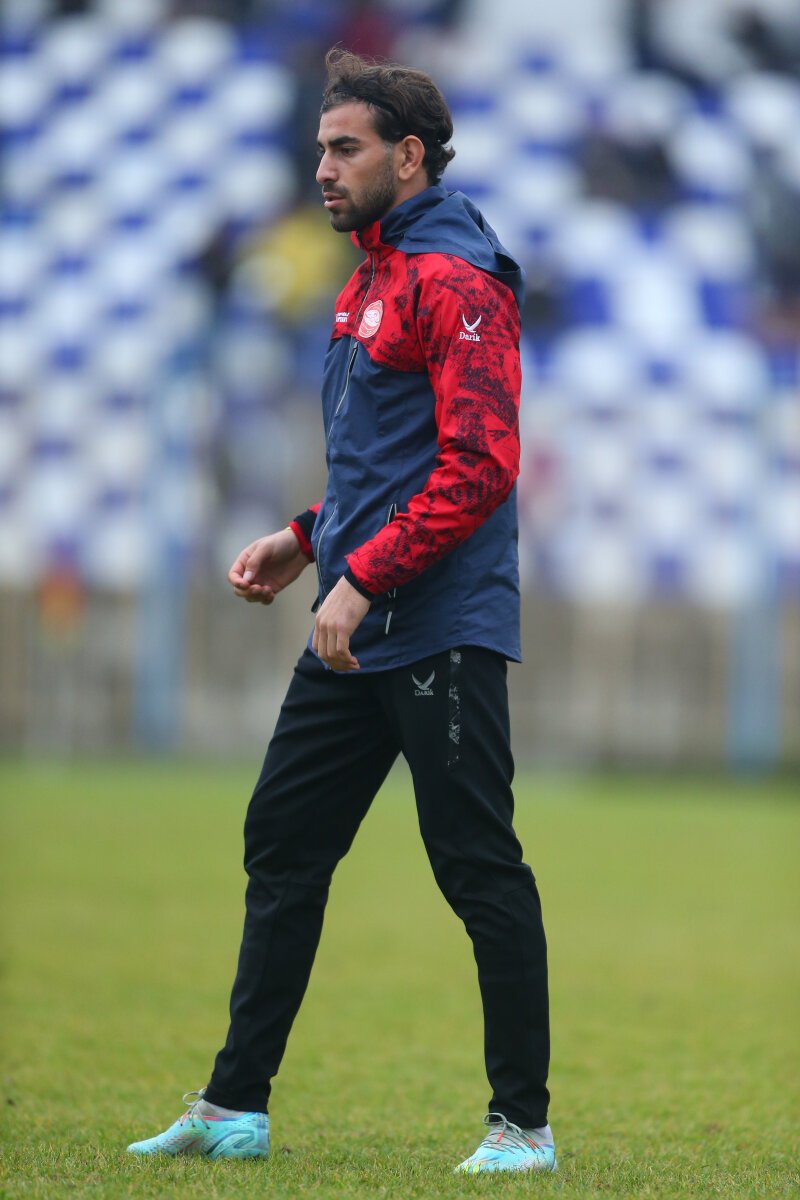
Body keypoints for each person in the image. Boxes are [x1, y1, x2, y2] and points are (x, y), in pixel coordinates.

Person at [127, 47, 556, 1175]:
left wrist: (361, 576)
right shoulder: (370, 277)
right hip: (355, 619)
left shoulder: (455, 281)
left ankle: (522, 1128)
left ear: (407, 157)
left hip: (435, 624)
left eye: (343, 149)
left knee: (476, 865)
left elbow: (479, 463)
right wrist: (307, 537)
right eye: (319, 147)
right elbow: (386, 463)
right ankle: (234, 1108)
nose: (320, 167)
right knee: (283, 840)